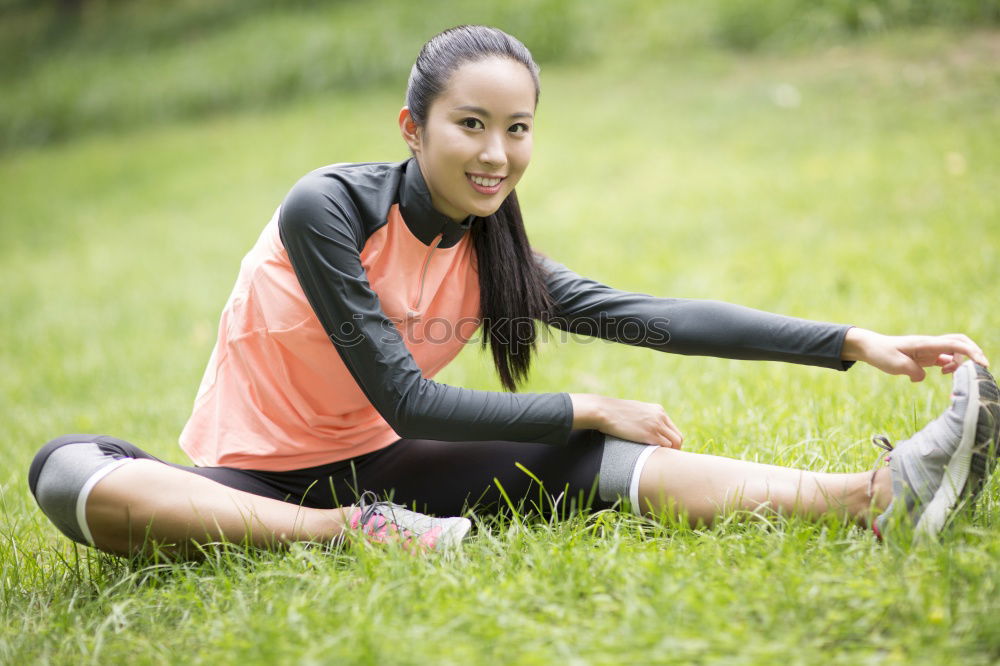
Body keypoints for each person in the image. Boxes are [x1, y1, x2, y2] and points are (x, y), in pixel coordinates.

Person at [28, 26, 1000, 558]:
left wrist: (849, 339)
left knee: (587, 456)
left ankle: (870, 499)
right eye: (471, 124)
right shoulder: (325, 209)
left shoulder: (492, 257)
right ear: (412, 127)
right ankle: (344, 533)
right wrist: (580, 398)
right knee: (65, 471)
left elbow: (652, 317)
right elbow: (403, 397)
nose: (497, 154)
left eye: (519, 128)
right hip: (249, 486)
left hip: (393, 465)